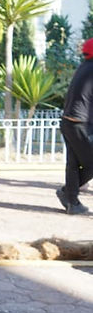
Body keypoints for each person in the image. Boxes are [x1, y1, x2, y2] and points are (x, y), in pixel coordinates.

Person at [55, 38, 93, 215]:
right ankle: (67, 193)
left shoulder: (83, 67)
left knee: (73, 163)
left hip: (68, 121)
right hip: (80, 123)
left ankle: (72, 202)